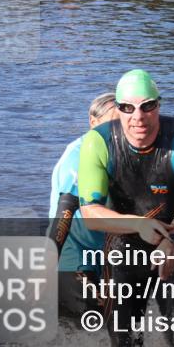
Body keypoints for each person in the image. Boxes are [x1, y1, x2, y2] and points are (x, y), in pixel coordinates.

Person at [78, 69, 174, 347]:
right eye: (127, 108)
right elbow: (91, 214)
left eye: (147, 106)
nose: (138, 117)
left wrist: (170, 241)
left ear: (158, 105)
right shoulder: (98, 142)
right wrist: (138, 224)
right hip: (123, 248)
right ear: (119, 109)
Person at [47, 93, 117, 318]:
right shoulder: (77, 156)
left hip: (107, 253)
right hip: (73, 249)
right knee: (92, 316)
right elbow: (64, 212)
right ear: (93, 122)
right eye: (112, 124)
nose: (118, 131)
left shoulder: (124, 153)